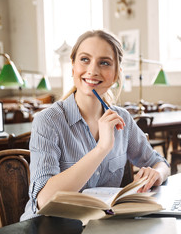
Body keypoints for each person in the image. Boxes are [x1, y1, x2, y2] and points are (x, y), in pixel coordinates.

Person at [21, 30, 170, 221]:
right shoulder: (48, 121)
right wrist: (101, 148)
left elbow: (161, 164)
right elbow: (44, 199)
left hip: (100, 225)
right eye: (85, 59)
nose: (93, 70)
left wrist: (156, 173)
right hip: (48, 226)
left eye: (104, 63)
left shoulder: (122, 118)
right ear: (73, 66)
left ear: (116, 74)